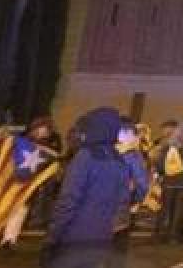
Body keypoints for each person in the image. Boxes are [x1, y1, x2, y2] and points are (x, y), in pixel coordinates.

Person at [42, 107, 131, 268]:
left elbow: (68, 200)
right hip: (102, 237)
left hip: (74, 235)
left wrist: (53, 236)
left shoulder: (86, 156)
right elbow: (123, 201)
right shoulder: (119, 160)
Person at [1, 116, 62, 249]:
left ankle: (10, 238)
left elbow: (56, 157)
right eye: (41, 128)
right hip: (20, 180)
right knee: (17, 208)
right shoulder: (23, 142)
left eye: (46, 129)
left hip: (36, 181)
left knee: (22, 208)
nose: (44, 132)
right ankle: (7, 237)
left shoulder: (51, 143)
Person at [153, 121, 183, 243]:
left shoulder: (167, 145)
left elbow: (159, 165)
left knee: (165, 207)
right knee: (178, 209)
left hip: (167, 182)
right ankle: (173, 236)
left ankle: (160, 233)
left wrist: (159, 176)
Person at [114, 119, 151, 259]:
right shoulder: (131, 155)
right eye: (134, 134)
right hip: (120, 207)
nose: (136, 138)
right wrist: (135, 200)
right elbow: (142, 184)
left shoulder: (101, 151)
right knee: (117, 252)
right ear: (127, 133)